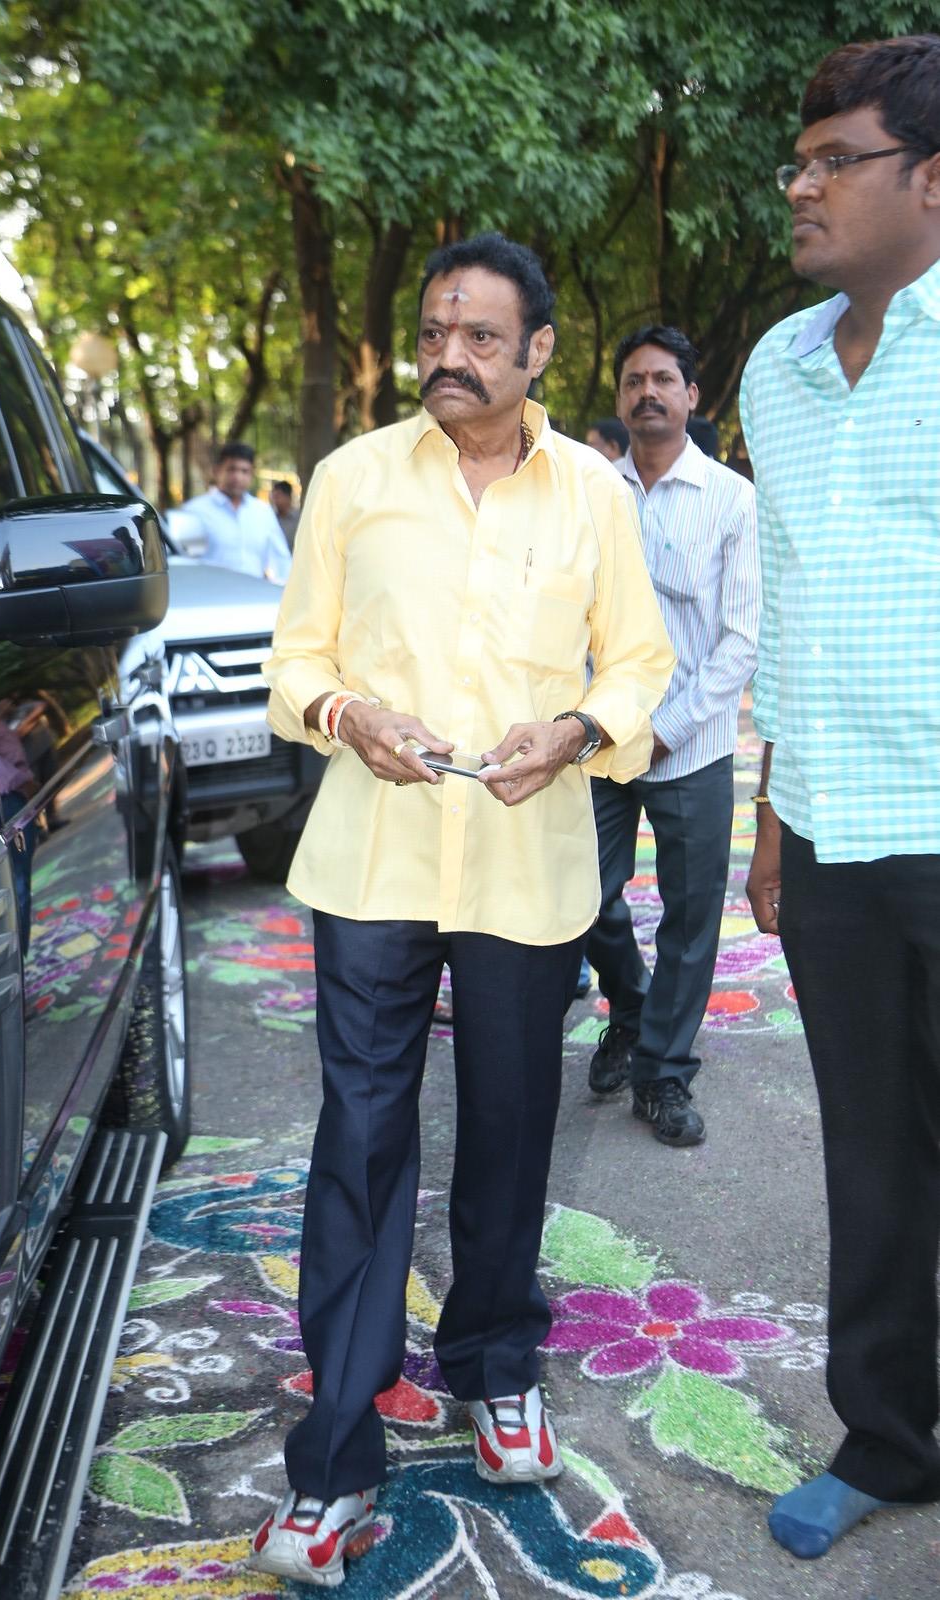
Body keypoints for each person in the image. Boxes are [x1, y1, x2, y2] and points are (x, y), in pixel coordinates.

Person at [251, 232, 674, 1587]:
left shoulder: (591, 492)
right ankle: (334, 1454)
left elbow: (638, 662)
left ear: (537, 350)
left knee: (508, 1125)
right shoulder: (353, 478)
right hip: (372, 856)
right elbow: (292, 662)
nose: (448, 355)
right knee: (360, 1138)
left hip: (522, 859)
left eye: (479, 336)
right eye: (435, 332)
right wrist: (344, 713)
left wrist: (574, 730)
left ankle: (494, 1365)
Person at [741, 33, 940, 1561]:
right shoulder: (776, 367)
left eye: (833, 161)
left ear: (927, 181)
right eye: (796, 163)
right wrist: (768, 822)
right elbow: (786, 604)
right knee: (870, 1159)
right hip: (826, 836)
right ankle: (886, 1437)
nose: (799, 188)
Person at [584, 325, 759, 1147]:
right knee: (581, 896)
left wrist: (667, 729)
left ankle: (661, 1074)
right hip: (597, 738)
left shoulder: (730, 498)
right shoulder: (589, 490)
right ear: (619, 399)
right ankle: (629, 1007)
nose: (646, 392)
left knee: (690, 920)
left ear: (691, 396)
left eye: (662, 380)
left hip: (692, 745)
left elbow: (740, 639)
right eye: (633, 381)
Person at [176, 441, 291, 584]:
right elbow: (184, 563)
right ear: (216, 471)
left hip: (254, 594)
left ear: (252, 474)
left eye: (244, 471)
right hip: (209, 594)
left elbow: (281, 561)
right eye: (231, 469)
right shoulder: (195, 511)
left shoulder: (263, 512)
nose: (238, 477)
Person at [270, 478, 301, 550]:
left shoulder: (299, 519)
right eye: (273, 497)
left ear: (287, 497)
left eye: (277, 497)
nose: (274, 501)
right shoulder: (271, 518)